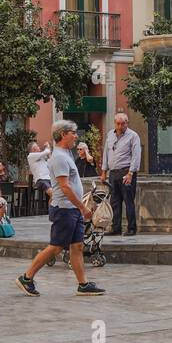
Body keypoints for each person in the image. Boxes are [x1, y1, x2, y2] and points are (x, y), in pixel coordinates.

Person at [16, 120, 105, 297]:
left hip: (73, 209)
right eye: (73, 132)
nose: (76, 135)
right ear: (63, 134)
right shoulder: (59, 157)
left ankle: (83, 284)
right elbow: (65, 187)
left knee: (77, 246)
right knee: (55, 247)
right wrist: (83, 208)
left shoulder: (66, 154)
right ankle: (26, 278)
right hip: (65, 209)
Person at [102, 113, 141, 236]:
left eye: (123, 123)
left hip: (126, 172)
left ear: (127, 123)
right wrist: (104, 171)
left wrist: (130, 173)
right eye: (118, 123)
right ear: (115, 123)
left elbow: (136, 155)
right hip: (113, 173)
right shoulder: (110, 135)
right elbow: (106, 153)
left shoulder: (133, 136)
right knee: (115, 201)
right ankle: (116, 228)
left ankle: (131, 228)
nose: (120, 126)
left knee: (128, 201)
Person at [27, 139, 53, 209]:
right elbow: (46, 151)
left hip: (49, 179)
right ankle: (52, 212)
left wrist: (49, 152)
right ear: (34, 149)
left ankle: (52, 211)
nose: (39, 147)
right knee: (53, 194)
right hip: (41, 180)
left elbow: (51, 162)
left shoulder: (41, 157)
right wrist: (47, 146)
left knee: (57, 195)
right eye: (37, 146)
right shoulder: (31, 156)